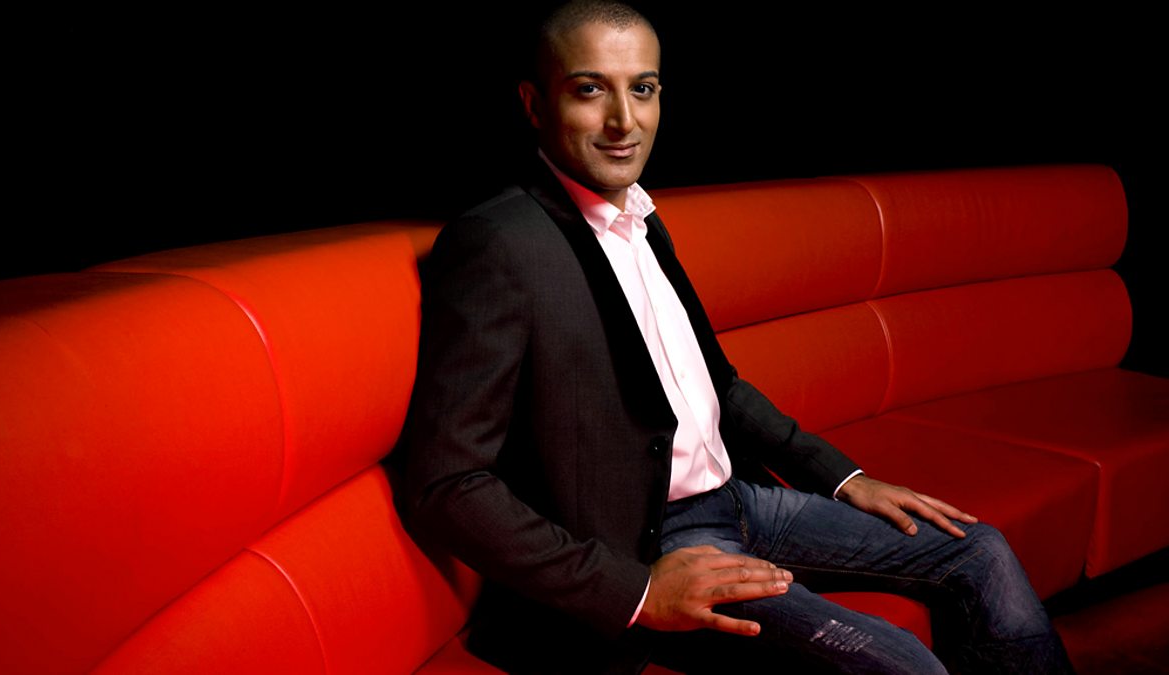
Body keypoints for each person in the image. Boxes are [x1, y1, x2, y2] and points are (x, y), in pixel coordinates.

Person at [400, 2, 1074, 672]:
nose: (624, 120)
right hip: (652, 547)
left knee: (980, 549)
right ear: (534, 103)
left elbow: (717, 385)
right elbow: (446, 481)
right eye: (589, 90)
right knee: (901, 663)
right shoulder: (498, 244)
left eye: (643, 89)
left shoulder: (639, 219)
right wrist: (636, 591)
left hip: (741, 501)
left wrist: (844, 479)